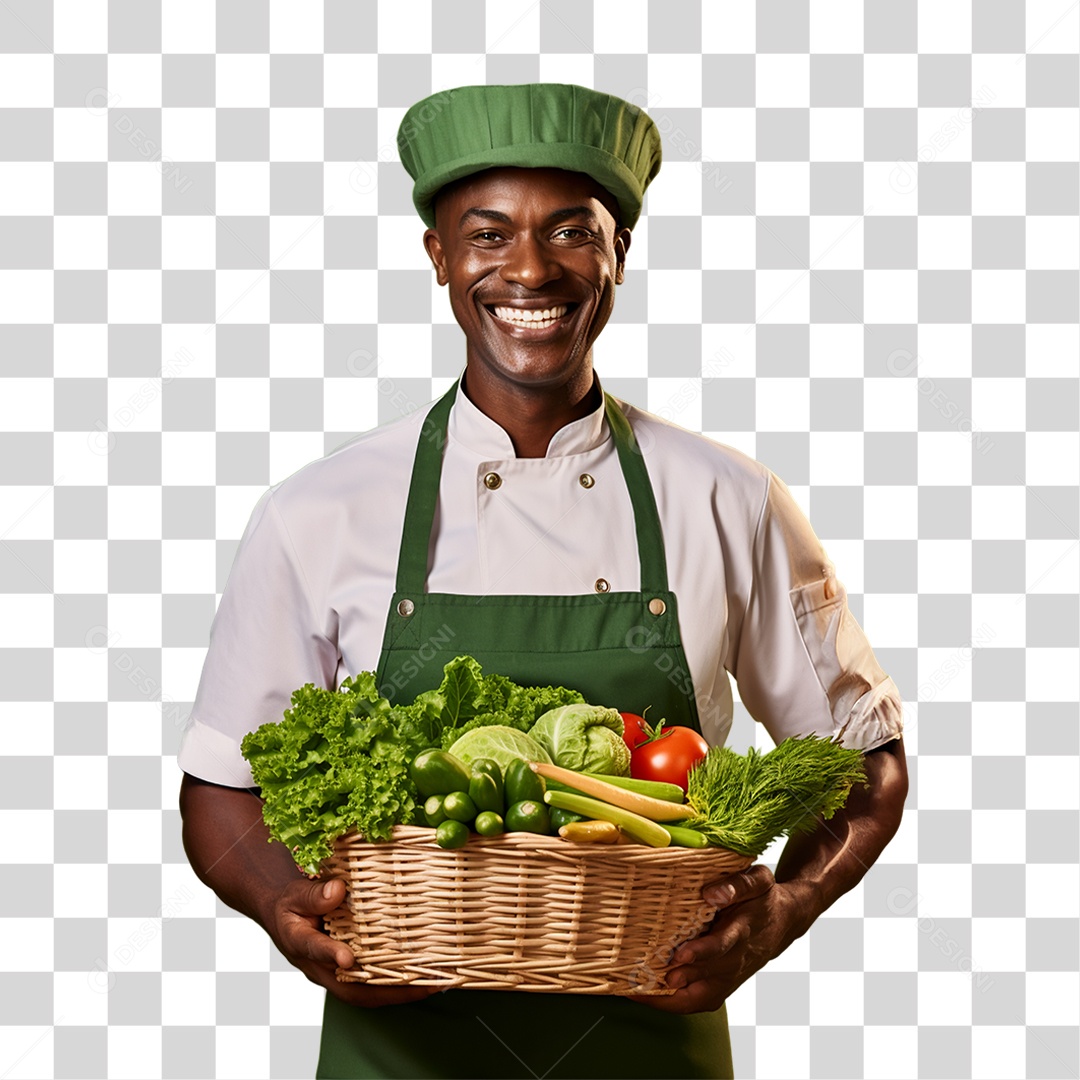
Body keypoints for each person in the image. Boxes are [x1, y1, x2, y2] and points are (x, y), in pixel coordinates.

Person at [178, 83, 908, 1080]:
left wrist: (778, 914)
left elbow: (864, 760)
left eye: (573, 231)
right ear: (439, 258)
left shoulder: (729, 500)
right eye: (489, 234)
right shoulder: (321, 511)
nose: (531, 268)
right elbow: (223, 789)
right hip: (396, 1056)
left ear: (618, 256)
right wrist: (283, 907)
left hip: (650, 1054)